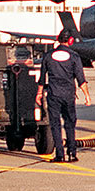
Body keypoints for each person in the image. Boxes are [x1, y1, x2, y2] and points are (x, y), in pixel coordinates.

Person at [34, 29, 91, 163]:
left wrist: (39, 94)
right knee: (70, 124)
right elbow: (81, 79)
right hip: (68, 95)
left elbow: (42, 79)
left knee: (55, 124)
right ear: (70, 41)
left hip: (53, 94)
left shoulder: (48, 56)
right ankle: (72, 153)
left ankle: (59, 155)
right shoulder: (74, 57)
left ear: (58, 39)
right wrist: (87, 96)